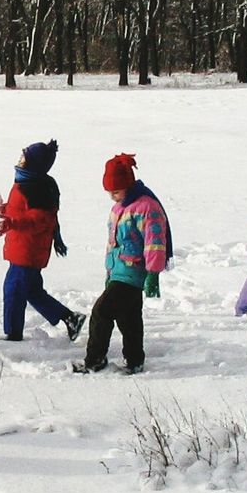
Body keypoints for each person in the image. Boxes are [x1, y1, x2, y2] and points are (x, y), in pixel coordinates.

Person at [73, 153, 171, 375]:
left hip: (134, 272)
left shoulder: (147, 207)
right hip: (118, 271)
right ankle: (135, 360)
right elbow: (113, 242)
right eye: (109, 192)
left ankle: (95, 360)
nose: (112, 197)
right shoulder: (118, 209)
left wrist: (152, 273)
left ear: (128, 184)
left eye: (116, 191)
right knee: (129, 318)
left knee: (101, 311)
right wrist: (109, 270)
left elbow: (155, 241)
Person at [0, 139, 84, 343]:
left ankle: (13, 335)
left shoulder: (37, 188)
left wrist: (10, 223)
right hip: (24, 248)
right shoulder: (26, 182)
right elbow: (21, 211)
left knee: (13, 289)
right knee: (32, 291)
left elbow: (39, 219)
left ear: (34, 164)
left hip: (28, 251)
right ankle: (70, 318)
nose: (20, 160)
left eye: (24, 157)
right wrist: (1, 210)